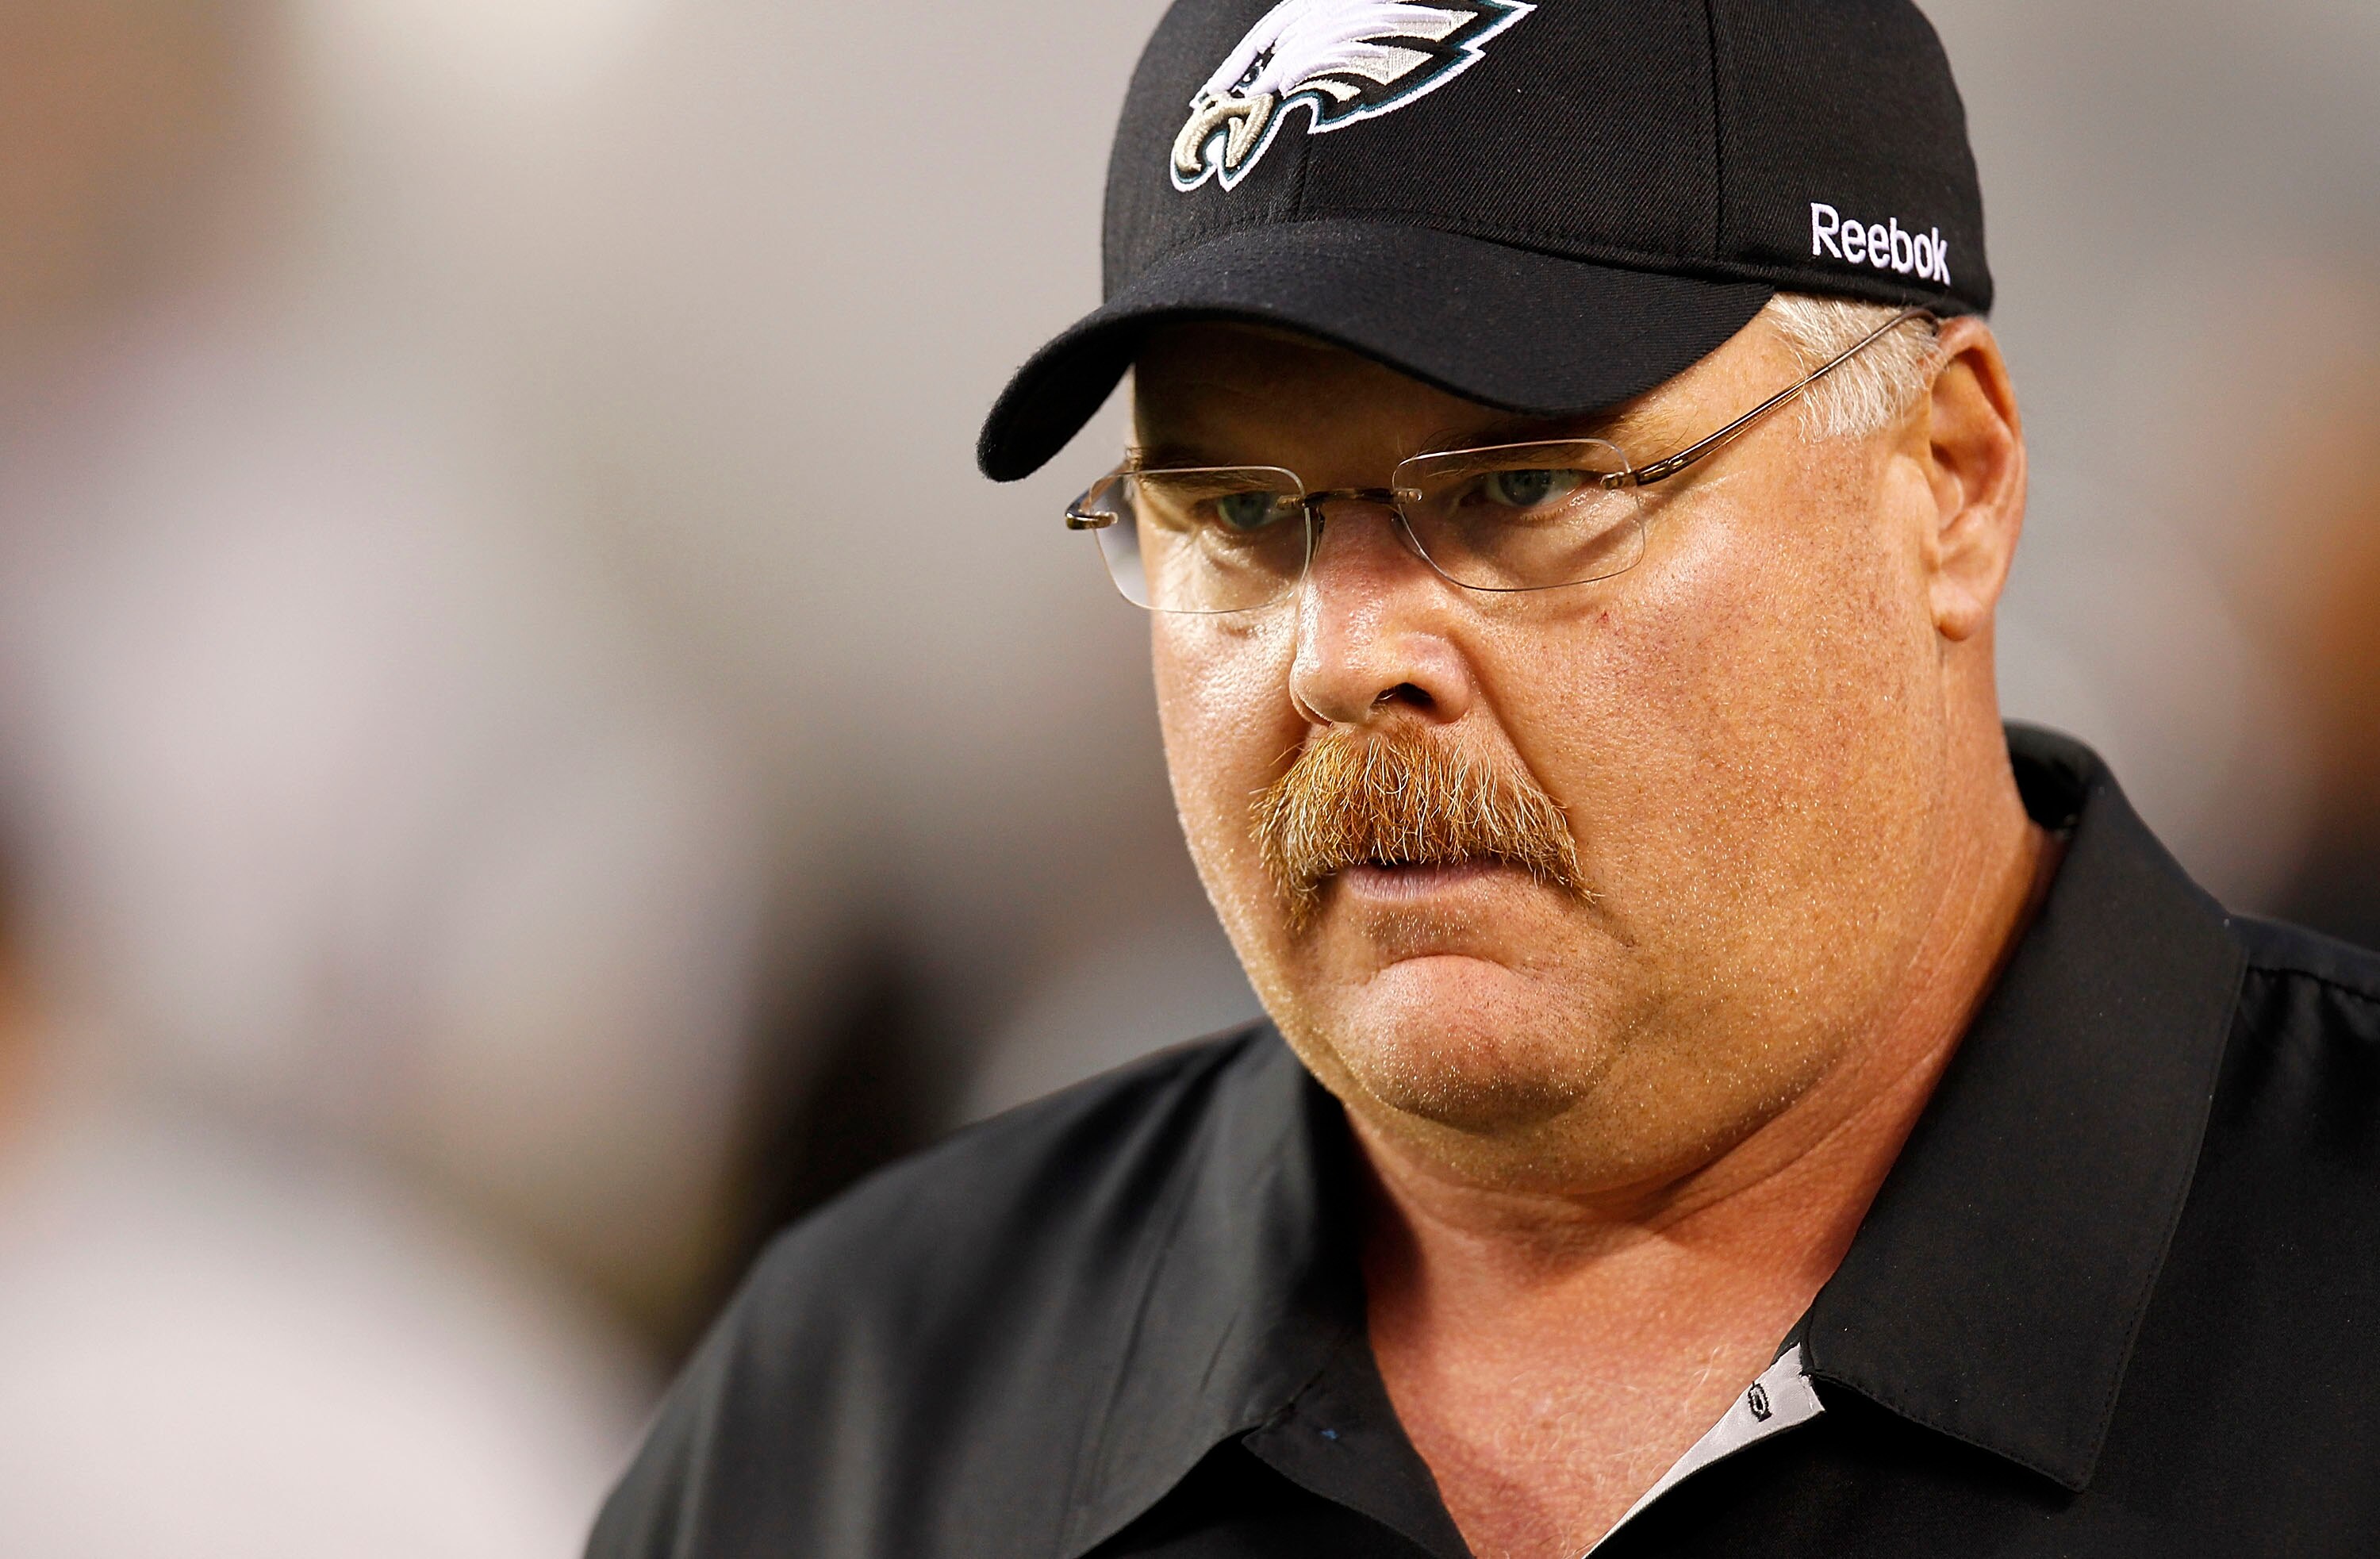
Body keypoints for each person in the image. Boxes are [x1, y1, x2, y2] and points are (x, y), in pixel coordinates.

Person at [590, 2, 2380, 1555]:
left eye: (1518, 489)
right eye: (1232, 516)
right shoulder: (862, 1413)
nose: (1342, 653)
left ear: (1951, 482)